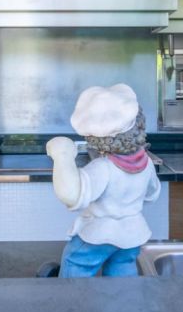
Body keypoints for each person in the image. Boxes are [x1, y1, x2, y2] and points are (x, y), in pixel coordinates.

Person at [46, 84, 161, 278]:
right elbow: (152, 194)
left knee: (76, 263)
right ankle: (123, 297)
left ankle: (70, 295)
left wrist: (62, 154)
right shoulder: (146, 163)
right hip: (133, 234)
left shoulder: (103, 167)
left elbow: (74, 196)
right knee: (122, 271)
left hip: (99, 235)